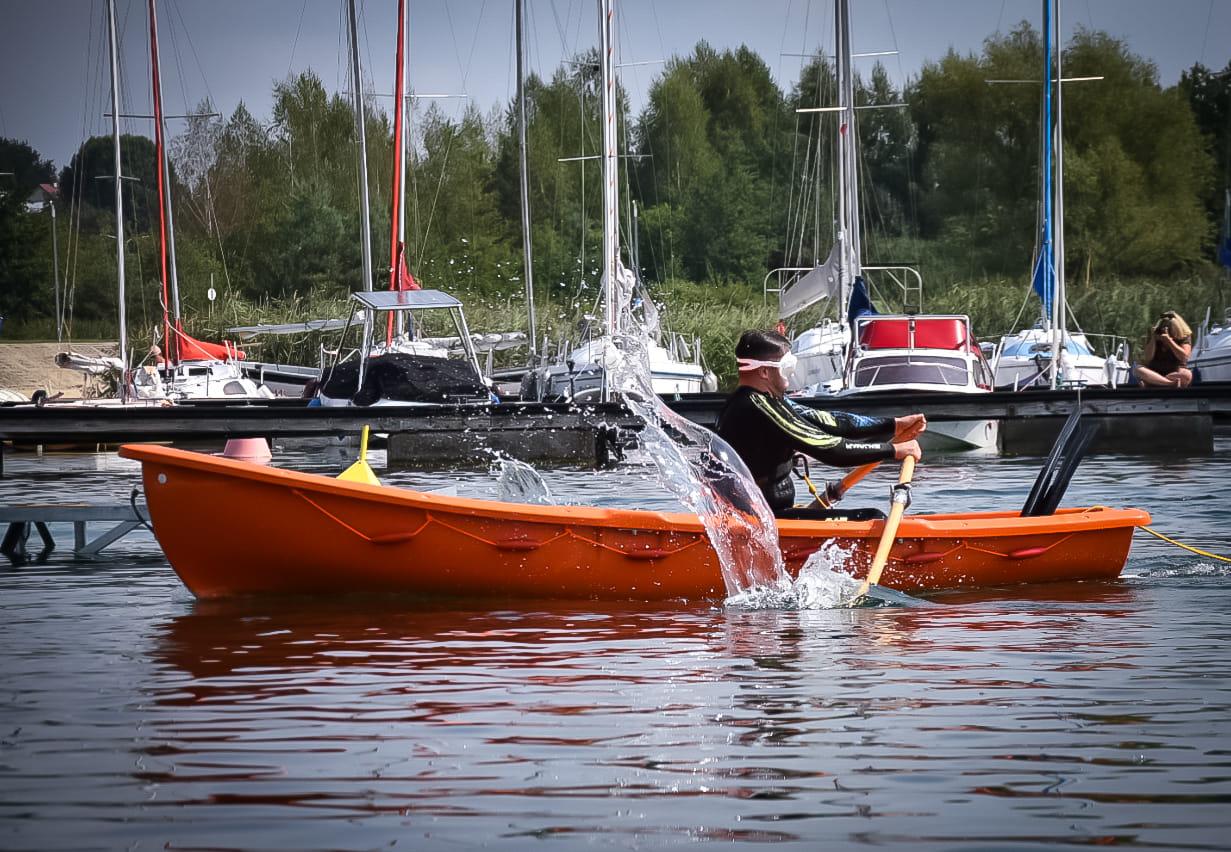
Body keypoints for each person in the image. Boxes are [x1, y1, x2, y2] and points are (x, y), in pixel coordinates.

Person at [715, 329, 926, 518]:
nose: (791, 375)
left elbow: (831, 422)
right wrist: (894, 450)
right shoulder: (757, 407)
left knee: (869, 516)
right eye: (787, 368)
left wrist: (893, 424)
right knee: (872, 518)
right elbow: (830, 449)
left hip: (772, 514)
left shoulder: (767, 400)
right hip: (762, 521)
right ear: (764, 372)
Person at [1133, 311, 1193, 388]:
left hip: (1174, 372)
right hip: (1154, 372)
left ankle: (1156, 381)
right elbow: (1147, 358)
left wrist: (1169, 341)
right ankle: (1170, 383)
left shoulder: (1183, 336)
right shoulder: (1155, 335)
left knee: (1187, 375)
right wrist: (1153, 339)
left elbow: (1184, 357)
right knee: (1138, 370)